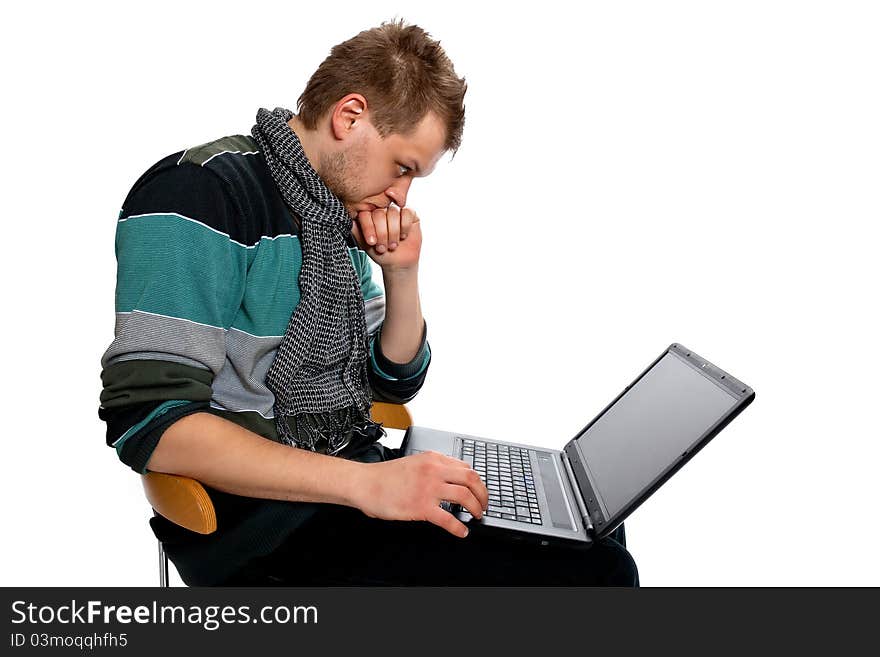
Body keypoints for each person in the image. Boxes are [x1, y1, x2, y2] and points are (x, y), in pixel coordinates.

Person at [99, 19, 639, 587]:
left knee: (588, 531)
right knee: (598, 574)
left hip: (347, 476)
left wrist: (401, 274)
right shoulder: (198, 194)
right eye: (402, 167)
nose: (401, 196)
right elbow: (151, 424)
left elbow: (389, 382)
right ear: (349, 116)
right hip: (257, 526)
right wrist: (371, 485)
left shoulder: (330, 214)